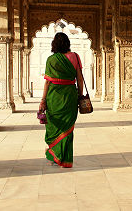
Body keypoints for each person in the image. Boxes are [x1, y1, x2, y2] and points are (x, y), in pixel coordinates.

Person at [39, 32, 84, 167]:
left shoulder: (51, 60)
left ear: (54, 44)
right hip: (70, 97)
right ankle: (65, 159)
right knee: (68, 128)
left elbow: (47, 83)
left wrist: (43, 100)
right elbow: (80, 79)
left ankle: (55, 153)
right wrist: (80, 96)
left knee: (55, 126)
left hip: (54, 98)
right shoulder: (75, 57)